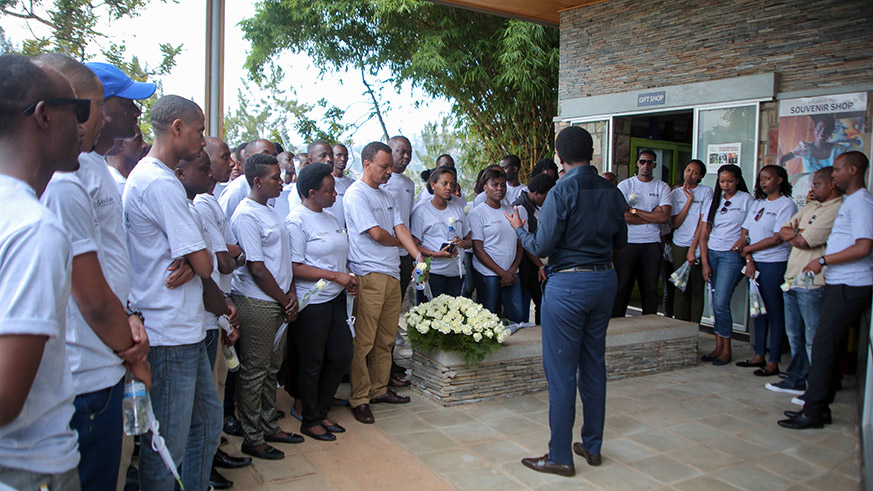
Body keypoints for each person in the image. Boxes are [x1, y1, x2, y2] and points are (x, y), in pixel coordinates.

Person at [37, 52, 152, 491]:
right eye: (94, 105)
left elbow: (110, 261)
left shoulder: (91, 168)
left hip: (110, 355)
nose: (102, 117)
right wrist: (134, 351)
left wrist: (130, 313)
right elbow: (87, 293)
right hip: (87, 370)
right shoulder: (61, 182)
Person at [506, 126, 627, 478]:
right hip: (605, 280)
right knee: (593, 365)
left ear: (559, 158)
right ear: (591, 153)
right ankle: (592, 445)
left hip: (569, 285)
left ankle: (559, 455)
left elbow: (541, 247)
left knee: (561, 373)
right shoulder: (611, 190)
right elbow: (621, 242)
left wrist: (518, 227)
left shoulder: (561, 191)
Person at [124, 95, 222, 490]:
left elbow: (197, 260)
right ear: (177, 128)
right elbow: (205, 264)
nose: (203, 141)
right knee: (166, 446)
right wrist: (195, 257)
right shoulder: (159, 182)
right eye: (199, 130)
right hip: (167, 334)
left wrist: (194, 256)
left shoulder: (158, 178)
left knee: (205, 424)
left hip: (185, 328)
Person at [0, 54, 84, 490]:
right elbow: (7, 396)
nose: (86, 126)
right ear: (44, 115)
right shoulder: (33, 228)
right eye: (79, 111)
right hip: (30, 467)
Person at [779, 151, 873, 430]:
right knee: (829, 345)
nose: (834, 175)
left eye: (839, 170)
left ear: (854, 170)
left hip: (851, 284)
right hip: (840, 281)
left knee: (822, 345)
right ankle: (821, 406)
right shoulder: (853, 202)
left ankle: (814, 410)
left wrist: (822, 260)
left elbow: (864, 246)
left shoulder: (861, 203)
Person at [229, 153, 303, 459]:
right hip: (258, 302)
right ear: (257, 181)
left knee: (272, 367)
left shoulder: (270, 209)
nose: (282, 181)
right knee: (255, 371)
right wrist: (284, 298)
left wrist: (292, 294)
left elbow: (282, 259)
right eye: (275, 177)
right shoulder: (246, 215)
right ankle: (253, 436)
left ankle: (270, 423)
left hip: (279, 300)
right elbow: (257, 267)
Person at [344, 141, 423, 425]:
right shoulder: (356, 195)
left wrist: (418, 256)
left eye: (390, 167)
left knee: (386, 339)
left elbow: (400, 228)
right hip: (368, 273)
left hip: (390, 272)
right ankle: (360, 398)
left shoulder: (387, 195)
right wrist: (399, 244)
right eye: (384, 166)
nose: (390, 172)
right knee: (364, 340)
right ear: (367, 165)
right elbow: (378, 234)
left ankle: (379, 389)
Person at [286, 163, 357, 441]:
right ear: (312, 192)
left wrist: (346, 277)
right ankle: (310, 419)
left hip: (336, 297)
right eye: (329, 191)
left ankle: (321, 408)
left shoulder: (330, 219)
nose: (334, 195)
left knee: (341, 355)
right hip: (311, 300)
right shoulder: (297, 221)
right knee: (312, 361)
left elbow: (339, 253)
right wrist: (334, 275)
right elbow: (294, 266)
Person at [767, 167, 841, 396]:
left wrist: (797, 233)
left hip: (813, 283)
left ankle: (817, 388)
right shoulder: (812, 205)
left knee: (813, 339)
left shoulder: (836, 209)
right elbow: (783, 230)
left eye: (817, 184)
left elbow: (804, 241)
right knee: (795, 335)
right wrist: (796, 232)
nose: (812, 189)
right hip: (793, 278)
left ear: (831, 185)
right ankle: (797, 378)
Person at [736, 165, 796, 376]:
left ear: (779, 180)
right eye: (761, 178)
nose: (763, 182)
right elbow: (746, 231)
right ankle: (759, 354)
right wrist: (749, 257)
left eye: (768, 178)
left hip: (774, 263)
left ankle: (774, 360)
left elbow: (777, 237)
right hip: (754, 262)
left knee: (773, 311)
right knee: (757, 310)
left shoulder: (786, 205)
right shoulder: (758, 204)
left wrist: (748, 249)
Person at [699, 164, 753, 365]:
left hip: (731, 255)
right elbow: (704, 235)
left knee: (721, 302)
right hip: (712, 253)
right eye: (722, 181)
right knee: (714, 302)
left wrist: (743, 242)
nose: (726, 185)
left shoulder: (746, 200)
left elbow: (748, 230)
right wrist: (705, 262)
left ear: (738, 180)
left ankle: (727, 350)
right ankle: (718, 347)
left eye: (730, 181)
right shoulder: (714, 201)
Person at [613, 149, 672, 317]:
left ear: (654, 165)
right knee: (623, 286)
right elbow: (621, 216)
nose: (646, 165)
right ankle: (617, 324)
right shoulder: (625, 185)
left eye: (649, 162)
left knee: (650, 287)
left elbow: (664, 216)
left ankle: (650, 323)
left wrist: (633, 210)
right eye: (643, 161)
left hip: (651, 243)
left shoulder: (662, 187)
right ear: (637, 163)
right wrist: (651, 216)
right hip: (628, 243)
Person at [469, 167, 527, 322]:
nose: (500, 189)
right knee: (490, 316)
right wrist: (502, 273)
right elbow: (478, 250)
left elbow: (519, 244)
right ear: (485, 187)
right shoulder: (478, 213)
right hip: (489, 273)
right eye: (495, 185)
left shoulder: (511, 211)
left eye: (503, 185)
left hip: (512, 272)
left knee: (518, 315)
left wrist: (512, 270)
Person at [410, 167, 472, 301]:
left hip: (456, 273)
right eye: (444, 183)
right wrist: (436, 254)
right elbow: (414, 245)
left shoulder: (458, 209)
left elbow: (469, 240)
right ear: (433, 185)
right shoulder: (421, 211)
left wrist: (461, 243)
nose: (449, 187)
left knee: (452, 315)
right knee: (429, 315)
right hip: (432, 273)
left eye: (452, 184)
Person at [671, 159, 713, 323]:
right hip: (679, 244)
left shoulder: (706, 192)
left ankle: (694, 328)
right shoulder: (675, 194)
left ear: (701, 176)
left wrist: (693, 248)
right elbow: (675, 223)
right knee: (679, 287)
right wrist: (688, 201)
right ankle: (679, 326)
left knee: (696, 289)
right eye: (688, 170)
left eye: (695, 172)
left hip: (697, 246)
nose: (690, 174)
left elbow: (703, 224)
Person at [513, 173, 557, 324]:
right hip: (528, 263)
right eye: (546, 196)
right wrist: (540, 265)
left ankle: (541, 330)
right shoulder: (521, 208)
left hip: (538, 261)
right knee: (526, 299)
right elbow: (525, 242)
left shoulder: (536, 205)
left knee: (541, 301)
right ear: (537, 194)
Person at [219, 139, 278, 221]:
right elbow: (224, 222)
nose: (271, 160)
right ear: (248, 158)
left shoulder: (269, 187)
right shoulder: (236, 189)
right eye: (265, 155)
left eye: (274, 156)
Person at [105, 125, 147, 195]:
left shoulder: (130, 183)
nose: (144, 145)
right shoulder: (116, 186)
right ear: (120, 143)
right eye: (138, 139)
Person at [328, 143, 355, 229]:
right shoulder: (326, 183)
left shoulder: (352, 184)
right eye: (339, 155)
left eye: (345, 156)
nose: (343, 159)